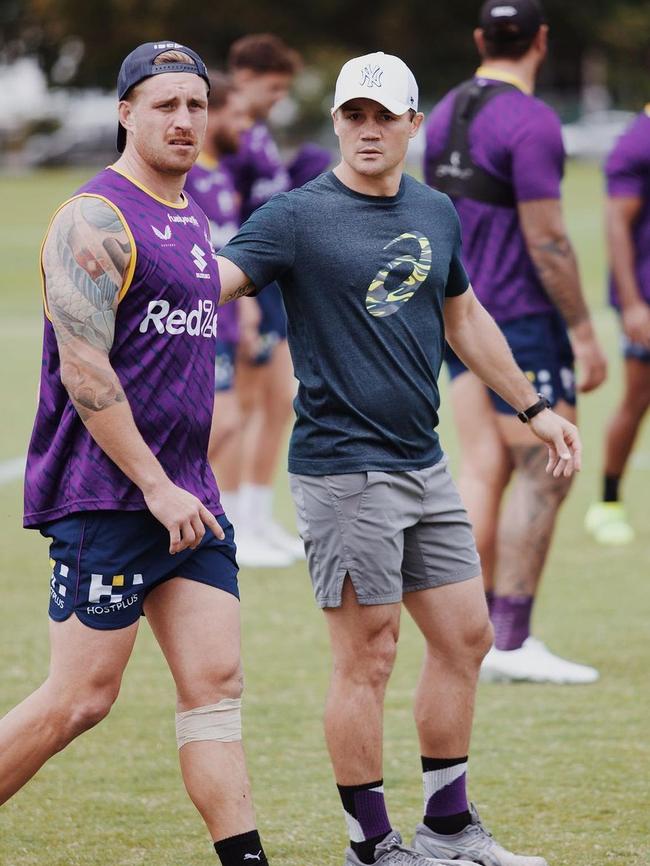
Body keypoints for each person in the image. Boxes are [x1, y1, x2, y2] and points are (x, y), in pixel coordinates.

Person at [215, 50, 582, 866]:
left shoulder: (434, 210)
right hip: (344, 471)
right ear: (337, 122)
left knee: (466, 636)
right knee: (368, 656)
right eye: (354, 115)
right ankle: (371, 844)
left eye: (385, 116)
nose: (368, 130)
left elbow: (467, 319)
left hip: (424, 464)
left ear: (414, 124)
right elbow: (216, 279)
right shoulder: (296, 216)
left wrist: (534, 406)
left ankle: (447, 827)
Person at [1, 42, 270, 866]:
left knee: (215, 689)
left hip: (188, 500)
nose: (184, 120)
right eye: (165, 105)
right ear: (126, 112)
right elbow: (85, 369)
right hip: (110, 499)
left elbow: (204, 291)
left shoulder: (189, 215)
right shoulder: (95, 216)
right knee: (80, 699)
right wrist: (154, 486)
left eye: (196, 104)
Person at [424, 0, 607, 684]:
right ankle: (512, 638)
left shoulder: (443, 112)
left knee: (482, 468)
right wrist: (585, 332)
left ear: (479, 39)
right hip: (521, 319)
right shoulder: (530, 119)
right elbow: (549, 238)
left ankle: (473, 634)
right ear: (541, 41)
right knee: (544, 470)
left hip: (455, 312)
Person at [223, 33, 306, 567]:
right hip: (244, 287)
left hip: (276, 287)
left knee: (280, 402)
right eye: (273, 88)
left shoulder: (260, 135)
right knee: (243, 405)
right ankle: (232, 523)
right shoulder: (227, 141)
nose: (278, 98)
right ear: (245, 78)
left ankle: (256, 516)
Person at [184, 72, 260, 512]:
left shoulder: (222, 176)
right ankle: (168, 502)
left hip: (226, 319)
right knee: (224, 420)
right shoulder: (189, 177)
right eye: (237, 116)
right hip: (200, 322)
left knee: (229, 421)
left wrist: (246, 313)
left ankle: (195, 507)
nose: (246, 126)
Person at [584, 106, 650, 545]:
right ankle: (607, 502)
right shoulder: (638, 142)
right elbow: (615, 223)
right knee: (637, 399)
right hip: (647, 299)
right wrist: (631, 304)